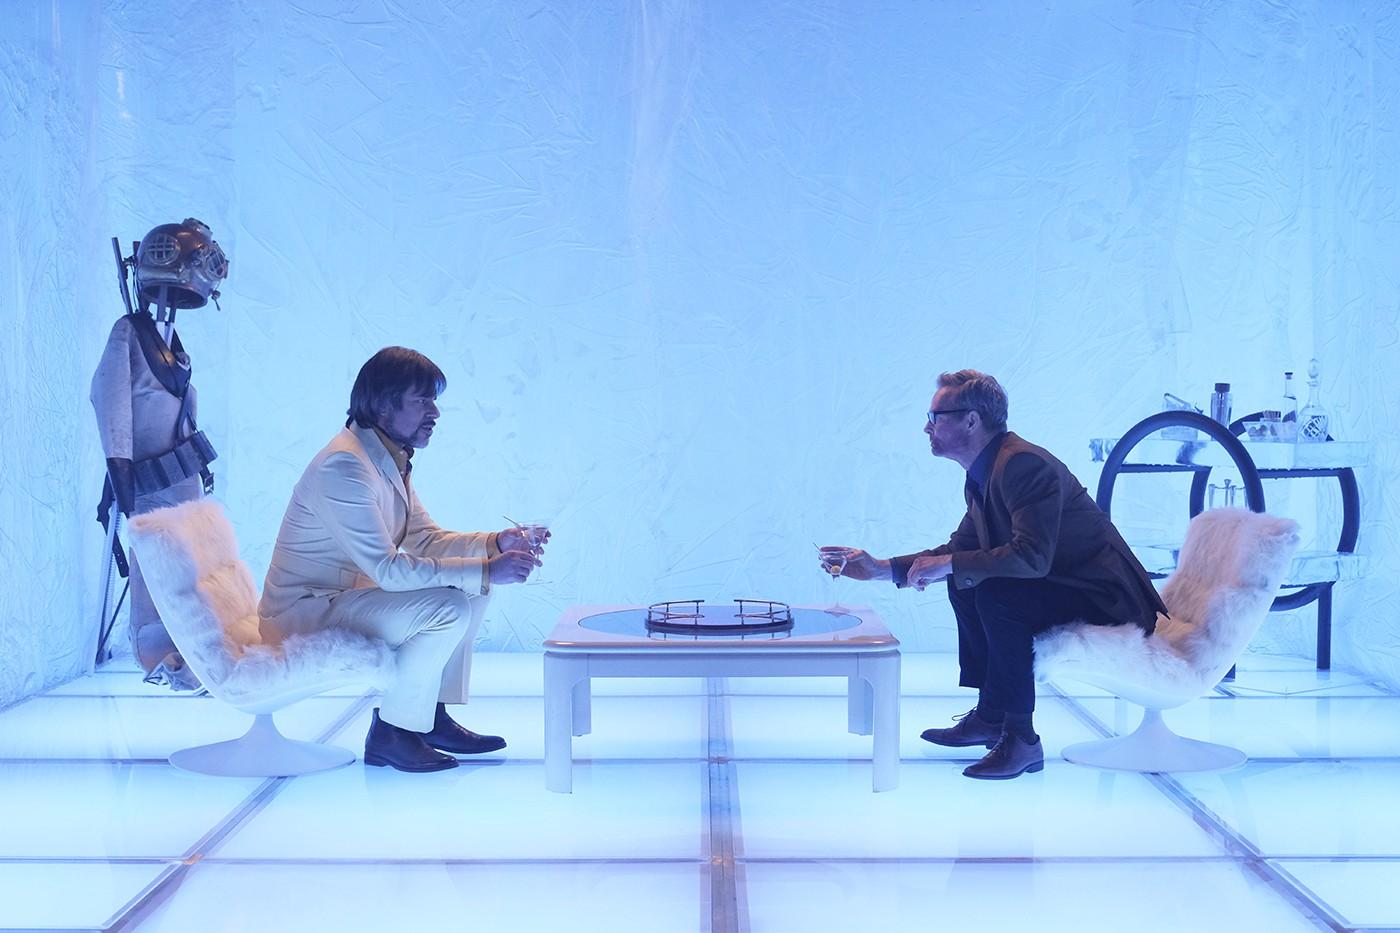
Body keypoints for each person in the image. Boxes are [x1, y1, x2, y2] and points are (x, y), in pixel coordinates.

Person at [822, 370, 1165, 780]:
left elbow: (1032, 558)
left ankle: (1022, 738)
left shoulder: (1021, 464)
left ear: (971, 420)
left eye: (935, 417)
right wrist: (881, 568)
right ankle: (992, 715)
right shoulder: (986, 472)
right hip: (1068, 583)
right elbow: (960, 549)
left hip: (1108, 597)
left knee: (996, 593)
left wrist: (951, 565)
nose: (927, 428)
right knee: (967, 581)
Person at [259, 347, 543, 773]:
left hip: (346, 599)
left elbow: (426, 540)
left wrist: (495, 544)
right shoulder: (344, 466)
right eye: (422, 400)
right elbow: (388, 570)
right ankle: (393, 732)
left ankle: (428, 717)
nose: (435, 413)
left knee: (473, 591)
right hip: (307, 614)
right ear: (383, 405)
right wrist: (487, 569)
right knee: (450, 604)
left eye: (434, 400)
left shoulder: (385, 456)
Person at [91, 218, 229, 690]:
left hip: (181, 484)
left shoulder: (166, 341)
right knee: (156, 572)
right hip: (147, 484)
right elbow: (110, 403)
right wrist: (122, 475)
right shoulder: (129, 333)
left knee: (191, 572)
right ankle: (161, 659)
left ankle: (196, 653)